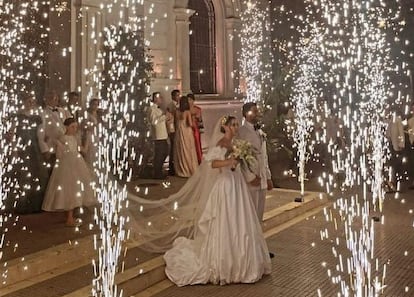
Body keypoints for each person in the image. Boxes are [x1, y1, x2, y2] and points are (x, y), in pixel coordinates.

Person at [130, 115, 271, 286]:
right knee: (225, 221)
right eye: (232, 125)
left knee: (240, 221)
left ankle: (243, 260)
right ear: (225, 127)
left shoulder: (236, 144)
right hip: (225, 186)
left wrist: (243, 169)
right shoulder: (221, 143)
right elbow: (212, 163)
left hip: (236, 185)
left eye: (236, 125)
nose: (235, 128)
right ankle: (224, 262)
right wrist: (229, 161)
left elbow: (239, 165)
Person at [42, 117, 96, 227]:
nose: (74, 129)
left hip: (77, 164)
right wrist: (59, 146)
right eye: (72, 127)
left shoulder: (74, 138)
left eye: (76, 127)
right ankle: (69, 217)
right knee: (69, 190)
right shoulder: (63, 138)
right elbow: (59, 155)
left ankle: (71, 216)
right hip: (67, 166)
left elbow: (83, 150)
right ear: (66, 127)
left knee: (75, 189)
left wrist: (88, 139)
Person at [5, 94, 48, 213]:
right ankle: (20, 205)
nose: (30, 103)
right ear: (24, 102)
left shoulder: (37, 117)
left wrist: (44, 148)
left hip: (33, 148)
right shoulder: (17, 116)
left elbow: (40, 135)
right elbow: (12, 133)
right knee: (22, 175)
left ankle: (35, 204)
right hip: (22, 147)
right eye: (28, 101)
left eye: (32, 101)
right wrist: (15, 149)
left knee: (36, 174)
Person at [238, 102, 273, 222]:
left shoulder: (259, 131)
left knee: (259, 212)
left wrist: (268, 176)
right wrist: (250, 177)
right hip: (252, 178)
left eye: (257, 111)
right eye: (254, 111)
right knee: (250, 212)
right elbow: (241, 157)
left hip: (262, 175)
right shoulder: (242, 132)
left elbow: (264, 155)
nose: (257, 114)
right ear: (246, 114)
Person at [38, 90, 71, 176]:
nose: (55, 100)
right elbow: (41, 132)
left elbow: (69, 123)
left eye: (56, 98)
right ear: (46, 100)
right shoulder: (42, 113)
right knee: (53, 172)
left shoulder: (63, 111)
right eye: (52, 98)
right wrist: (45, 149)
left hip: (65, 145)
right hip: (52, 146)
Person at [148, 92, 173, 179]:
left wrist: (167, 118)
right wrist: (164, 116)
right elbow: (153, 121)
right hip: (158, 135)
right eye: (159, 98)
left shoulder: (159, 109)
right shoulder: (151, 109)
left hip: (163, 134)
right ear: (155, 99)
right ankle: (157, 173)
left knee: (165, 152)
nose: (161, 99)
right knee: (160, 154)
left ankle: (159, 171)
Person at [174, 96, 199, 177]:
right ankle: (188, 169)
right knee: (188, 150)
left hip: (179, 132)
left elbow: (175, 122)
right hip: (186, 132)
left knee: (180, 150)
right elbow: (190, 124)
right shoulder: (187, 112)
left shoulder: (176, 111)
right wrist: (193, 118)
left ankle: (181, 169)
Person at [166, 89, 181, 175]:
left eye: (179, 95)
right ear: (173, 96)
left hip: (178, 128)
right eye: (177, 95)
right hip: (173, 129)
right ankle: (171, 168)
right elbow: (171, 118)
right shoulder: (171, 105)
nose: (178, 97)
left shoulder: (179, 105)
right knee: (172, 148)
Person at [188, 93, 204, 164]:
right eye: (188, 100)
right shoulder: (185, 110)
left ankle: (199, 159)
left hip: (195, 128)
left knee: (197, 143)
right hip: (187, 128)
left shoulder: (197, 109)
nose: (189, 101)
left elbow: (200, 120)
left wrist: (200, 129)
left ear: (193, 100)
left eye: (190, 100)